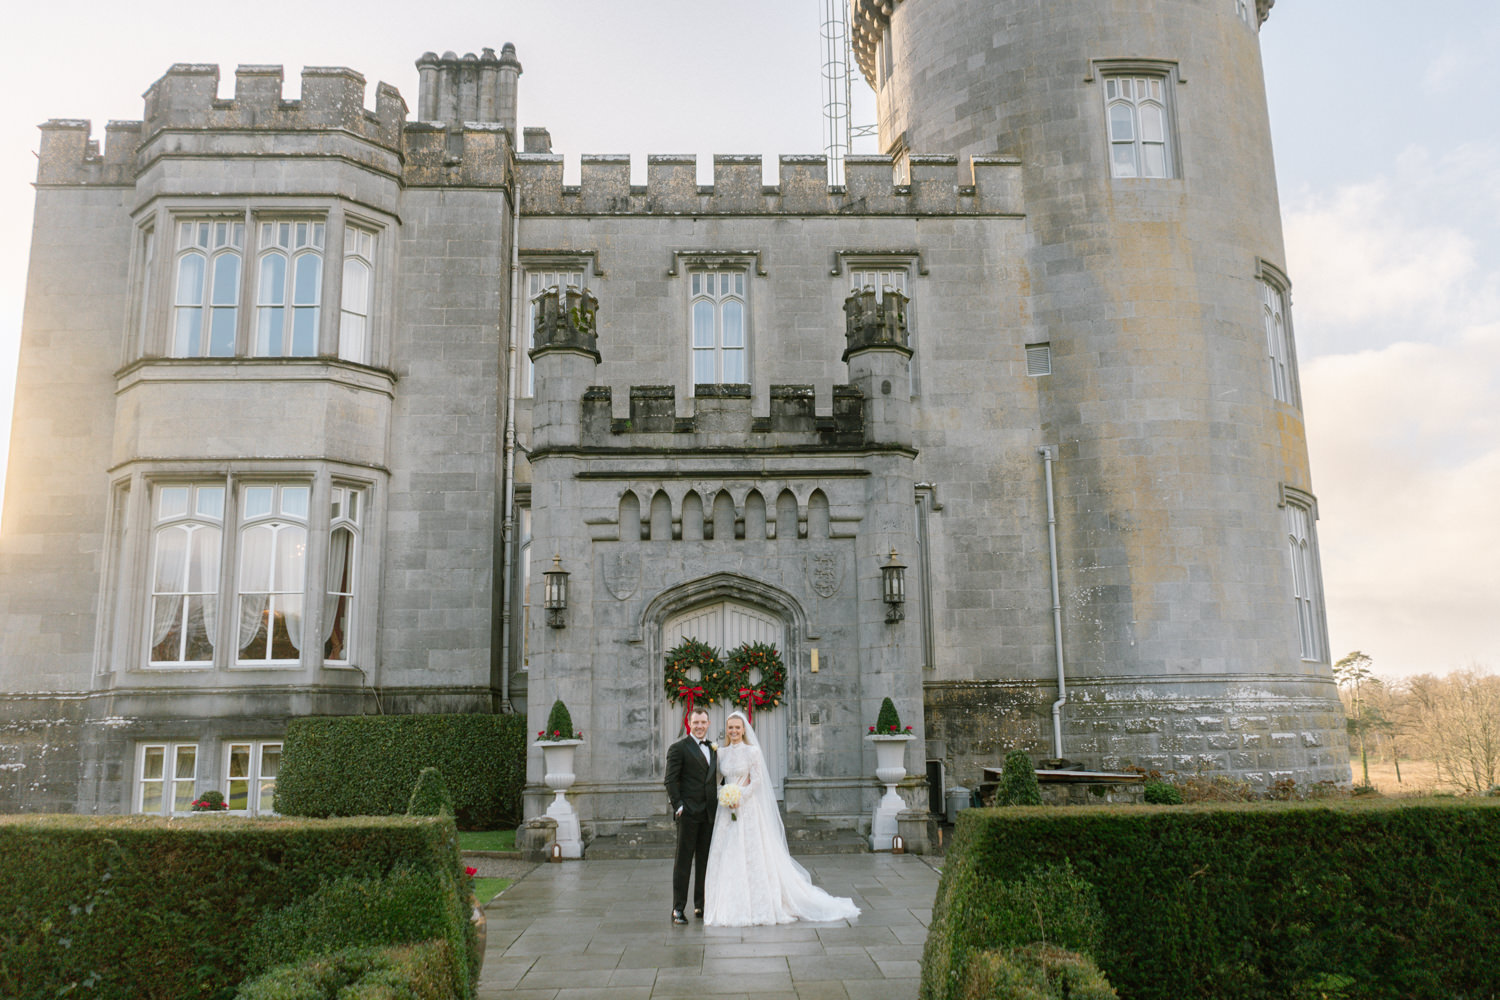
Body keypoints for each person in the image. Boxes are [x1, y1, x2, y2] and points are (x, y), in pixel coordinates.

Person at [702, 710, 860, 926]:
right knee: (728, 851)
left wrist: (740, 796)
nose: (734, 731)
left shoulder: (752, 751)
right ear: (726, 730)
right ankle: (728, 902)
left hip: (747, 807)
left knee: (751, 852)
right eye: (731, 728)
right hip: (726, 810)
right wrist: (724, 796)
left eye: (738, 727)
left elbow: (756, 780)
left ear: (744, 729)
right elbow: (718, 779)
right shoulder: (721, 753)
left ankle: (759, 904)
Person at [664, 706, 717, 924]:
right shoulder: (679, 748)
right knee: (683, 862)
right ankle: (678, 909)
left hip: (709, 815)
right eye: (696, 722)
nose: (699, 726)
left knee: (705, 862)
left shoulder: (714, 749)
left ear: (708, 724)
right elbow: (670, 780)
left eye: (703, 722)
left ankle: (700, 905)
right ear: (689, 723)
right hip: (688, 814)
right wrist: (679, 806)